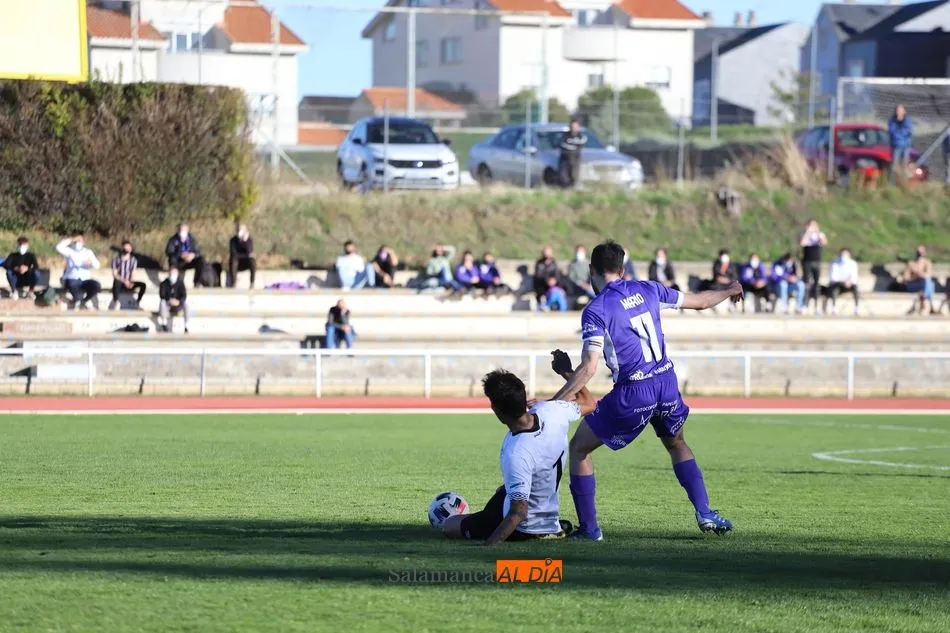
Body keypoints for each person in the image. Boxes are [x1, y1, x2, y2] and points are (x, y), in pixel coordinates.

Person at [551, 241, 743, 541]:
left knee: (578, 449)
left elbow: (589, 367)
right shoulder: (649, 289)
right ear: (622, 269)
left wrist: (553, 403)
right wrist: (730, 289)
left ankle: (589, 529)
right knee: (676, 443)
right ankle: (705, 512)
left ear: (591, 271)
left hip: (634, 391)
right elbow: (701, 302)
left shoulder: (596, 310)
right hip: (666, 383)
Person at [441, 356, 596, 545]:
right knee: (503, 491)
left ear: (496, 410)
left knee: (449, 525)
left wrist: (489, 544)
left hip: (524, 528)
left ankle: (537, 532)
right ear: (523, 398)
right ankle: (551, 527)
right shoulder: (552, 411)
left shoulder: (517, 452)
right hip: (548, 516)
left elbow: (519, 512)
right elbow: (589, 402)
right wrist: (567, 372)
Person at [56, 232, 101, 310]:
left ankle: (84, 301)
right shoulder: (69, 251)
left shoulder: (88, 252)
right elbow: (59, 247)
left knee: (96, 285)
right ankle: (79, 302)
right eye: (76, 241)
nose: (78, 243)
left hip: (85, 279)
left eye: (80, 240)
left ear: (83, 241)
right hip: (73, 280)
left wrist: (91, 263)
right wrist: (72, 239)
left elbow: (97, 265)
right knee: (77, 296)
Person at [165, 223, 206, 288]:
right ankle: (174, 281)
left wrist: (193, 255)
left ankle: (197, 282)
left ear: (187, 230)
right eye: (181, 230)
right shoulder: (173, 240)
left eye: (184, 230)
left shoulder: (192, 239)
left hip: (190, 261)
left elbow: (198, 251)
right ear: (178, 230)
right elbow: (169, 252)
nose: (182, 232)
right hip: (178, 262)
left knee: (201, 260)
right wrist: (181, 255)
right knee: (172, 259)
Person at [800, 219, 827, 313]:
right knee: (806, 283)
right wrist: (808, 232)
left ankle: (816, 305)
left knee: (816, 284)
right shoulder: (804, 234)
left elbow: (823, 242)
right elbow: (802, 243)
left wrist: (817, 232)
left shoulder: (820, 234)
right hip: (807, 262)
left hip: (817, 262)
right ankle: (805, 304)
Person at [110, 240, 146, 310]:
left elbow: (133, 273)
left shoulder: (133, 260)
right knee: (116, 282)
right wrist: (125, 281)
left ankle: (138, 302)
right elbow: (115, 274)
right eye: (125, 248)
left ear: (131, 249)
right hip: (121, 282)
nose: (127, 250)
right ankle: (115, 301)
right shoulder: (116, 260)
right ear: (122, 249)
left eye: (128, 248)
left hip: (129, 282)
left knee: (143, 285)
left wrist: (131, 282)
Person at [900, 245, 936, 315]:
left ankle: (925, 303)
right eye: (918, 252)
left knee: (928, 282)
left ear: (925, 253)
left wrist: (920, 274)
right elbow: (905, 278)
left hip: (924, 284)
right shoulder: (911, 263)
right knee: (928, 283)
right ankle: (929, 305)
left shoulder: (927, 262)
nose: (920, 254)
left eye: (921, 252)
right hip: (913, 284)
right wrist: (916, 276)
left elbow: (928, 275)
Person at [826, 248, 860, 315]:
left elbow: (854, 276)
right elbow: (833, 277)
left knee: (855, 288)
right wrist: (842, 281)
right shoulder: (835, 263)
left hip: (849, 284)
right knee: (834, 289)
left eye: (845, 254)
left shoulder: (853, 263)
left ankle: (857, 308)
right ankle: (834, 307)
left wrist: (849, 281)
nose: (844, 256)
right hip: (838, 284)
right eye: (842, 254)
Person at [158, 267, 190, 333]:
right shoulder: (164, 283)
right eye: (171, 273)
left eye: (174, 273)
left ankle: (186, 326)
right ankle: (164, 323)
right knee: (162, 302)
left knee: (186, 304)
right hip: (168, 305)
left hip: (178, 305)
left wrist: (178, 301)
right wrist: (169, 300)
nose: (173, 275)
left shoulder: (180, 283)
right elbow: (162, 295)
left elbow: (184, 295)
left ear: (177, 274)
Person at [888, 104, 913, 184]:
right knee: (894, 165)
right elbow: (892, 132)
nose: (899, 111)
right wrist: (901, 134)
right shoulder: (892, 120)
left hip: (905, 146)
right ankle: (892, 182)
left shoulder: (907, 120)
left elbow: (909, 131)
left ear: (904, 111)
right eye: (898, 110)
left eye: (901, 110)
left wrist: (901, 133)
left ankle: (904, 182)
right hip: (896, 145)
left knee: (905, 164)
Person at [558, 119, 587, 188]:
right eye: (573, 126)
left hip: (576, 159)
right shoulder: (565, 136)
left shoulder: (581, 137)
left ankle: (573, 187)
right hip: (565, 158)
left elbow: (582, 147)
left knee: (574, 176)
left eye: (576, 126)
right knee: (564, 177)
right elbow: (562, 145)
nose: (574, 128)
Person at [228, 224, 257, 289]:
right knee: (234, 260)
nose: (239, 231)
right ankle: (234, 283)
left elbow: (249, 252)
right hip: (236, 263)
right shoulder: (233, 240)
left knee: (252, 261)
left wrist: (245, 241)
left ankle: (252, 283)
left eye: (241, 230)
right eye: (238, 229)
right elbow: (234, 254)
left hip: (245, 263)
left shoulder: (249, 240)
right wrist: (246, 255)